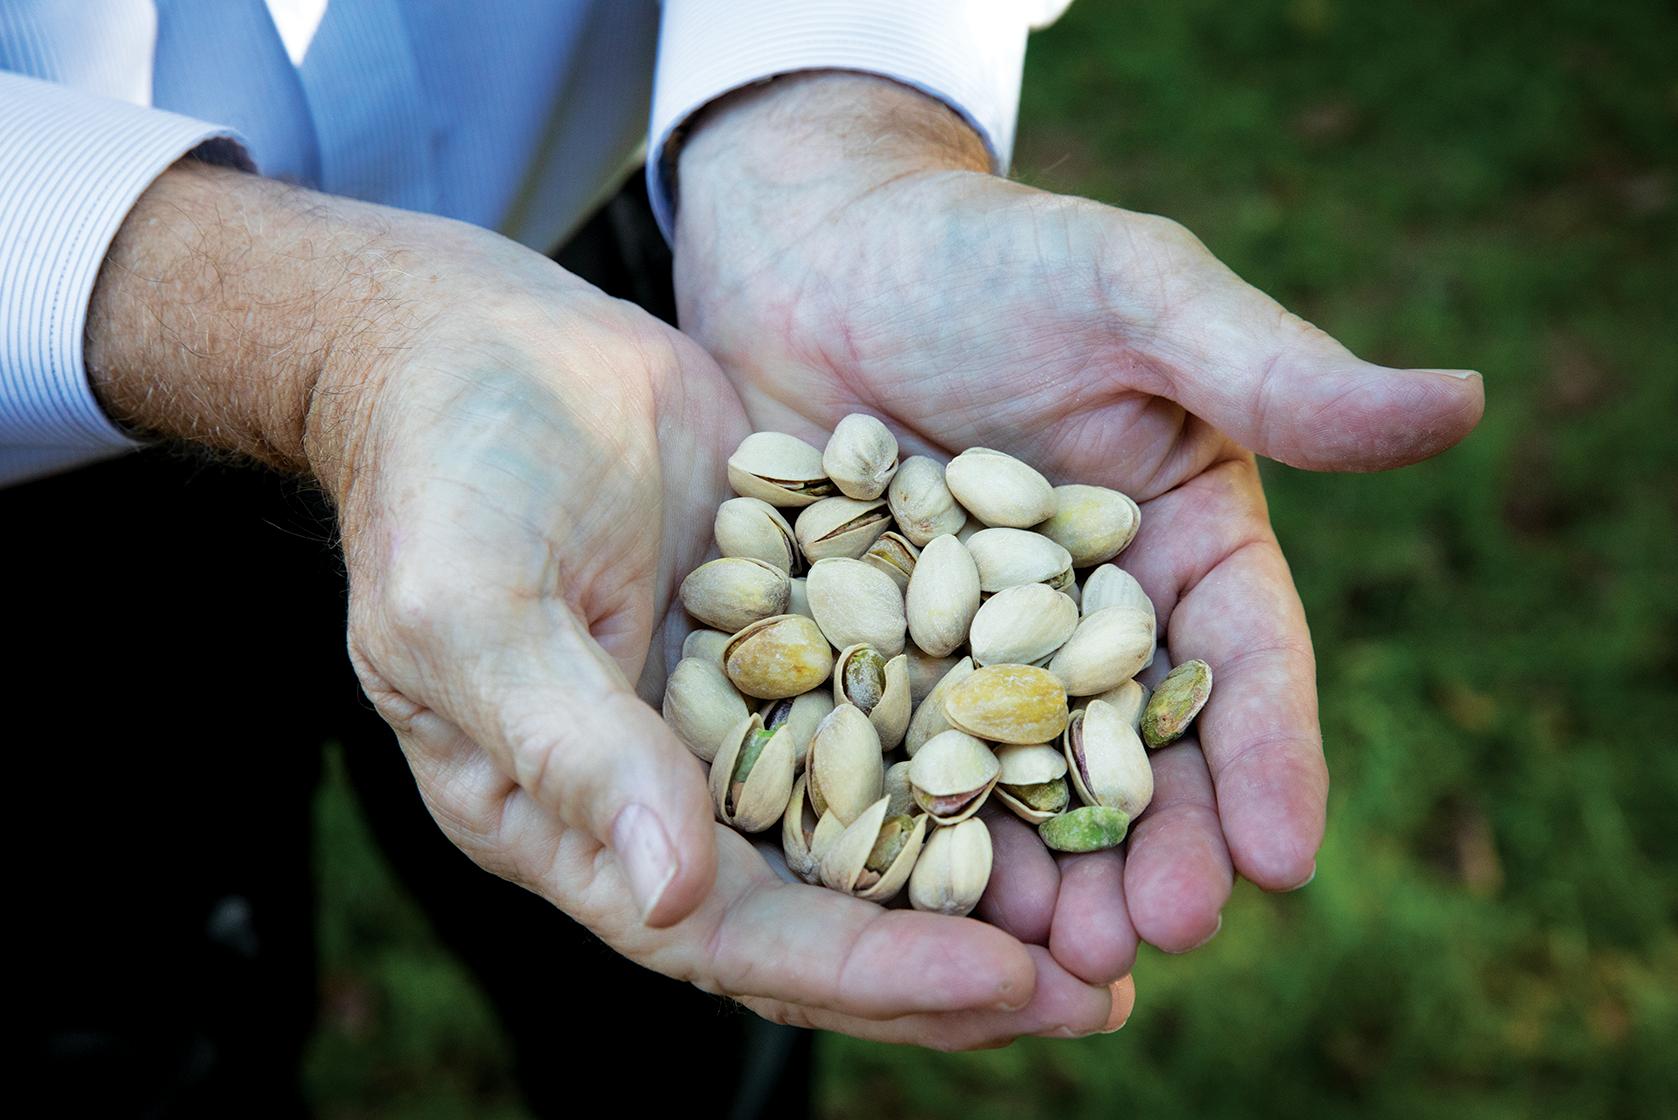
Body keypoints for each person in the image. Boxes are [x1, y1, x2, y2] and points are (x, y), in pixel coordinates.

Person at [3, 1, 1484, 1112]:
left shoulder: (811, 537)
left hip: (646, 334)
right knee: (106, 1027)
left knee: (681, 1020)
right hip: (43, 449)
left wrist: (837, 114)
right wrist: (331, 344)